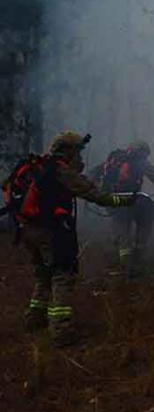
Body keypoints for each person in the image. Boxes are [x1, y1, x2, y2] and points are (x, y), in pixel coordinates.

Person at [3, 131, 135, 347]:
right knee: (62, 275)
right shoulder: (61, 171)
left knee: (43, 274)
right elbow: (96, 196)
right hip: (49, 231)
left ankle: (34, 318)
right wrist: (127, 201)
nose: (80, 157)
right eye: (78, 152)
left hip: (27, 229)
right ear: (68, 152)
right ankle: (61, 330)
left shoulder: (41, 167)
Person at [90, 141, 154, 276]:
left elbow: (91, 175)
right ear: (142, 151)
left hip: (113, 202)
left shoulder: (112, 160)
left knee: (123, 237)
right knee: (148, 219)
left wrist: (95, 194)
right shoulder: (140, 161)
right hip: (134, 201)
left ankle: (125, 267)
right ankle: (138, 259)